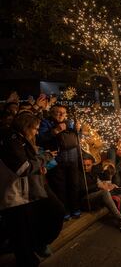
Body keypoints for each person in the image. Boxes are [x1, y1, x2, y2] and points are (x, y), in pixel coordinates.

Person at [0, 113, 65, 267]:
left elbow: (29, 163)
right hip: (13, 194)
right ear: (26, 127)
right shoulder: (12, 141)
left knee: (54, 212)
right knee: (20, 232)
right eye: (35, 129)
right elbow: (23, 168)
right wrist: (45, 158)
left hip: (28, 189)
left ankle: (37, 246)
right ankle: (28, 258)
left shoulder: (21, 138)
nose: (37, 132)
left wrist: (39, 165)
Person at [37, 105, 82, 221]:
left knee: (74, 185)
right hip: (57, 160)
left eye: (63, 112)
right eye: (58, 112)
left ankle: (75, 209)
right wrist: (55, 131)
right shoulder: (46, 123)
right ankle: (64, 211)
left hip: (72, 159)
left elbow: (78, 138)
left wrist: (79, 130)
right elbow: (40, 138)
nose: (61, 115)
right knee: (59, 187)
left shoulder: (70, 122)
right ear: (52, 113)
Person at [81, 157, 121, 231]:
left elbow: (100, 183)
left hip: (97, 193)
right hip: (87, 199)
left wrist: (108, 186)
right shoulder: (80, 174)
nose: (85, 167)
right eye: (84, 165)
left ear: (91, 165)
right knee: (105, 192)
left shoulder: (92, 172)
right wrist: (99, 186)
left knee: (119, 193)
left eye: (88, 165)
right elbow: (82, 189)